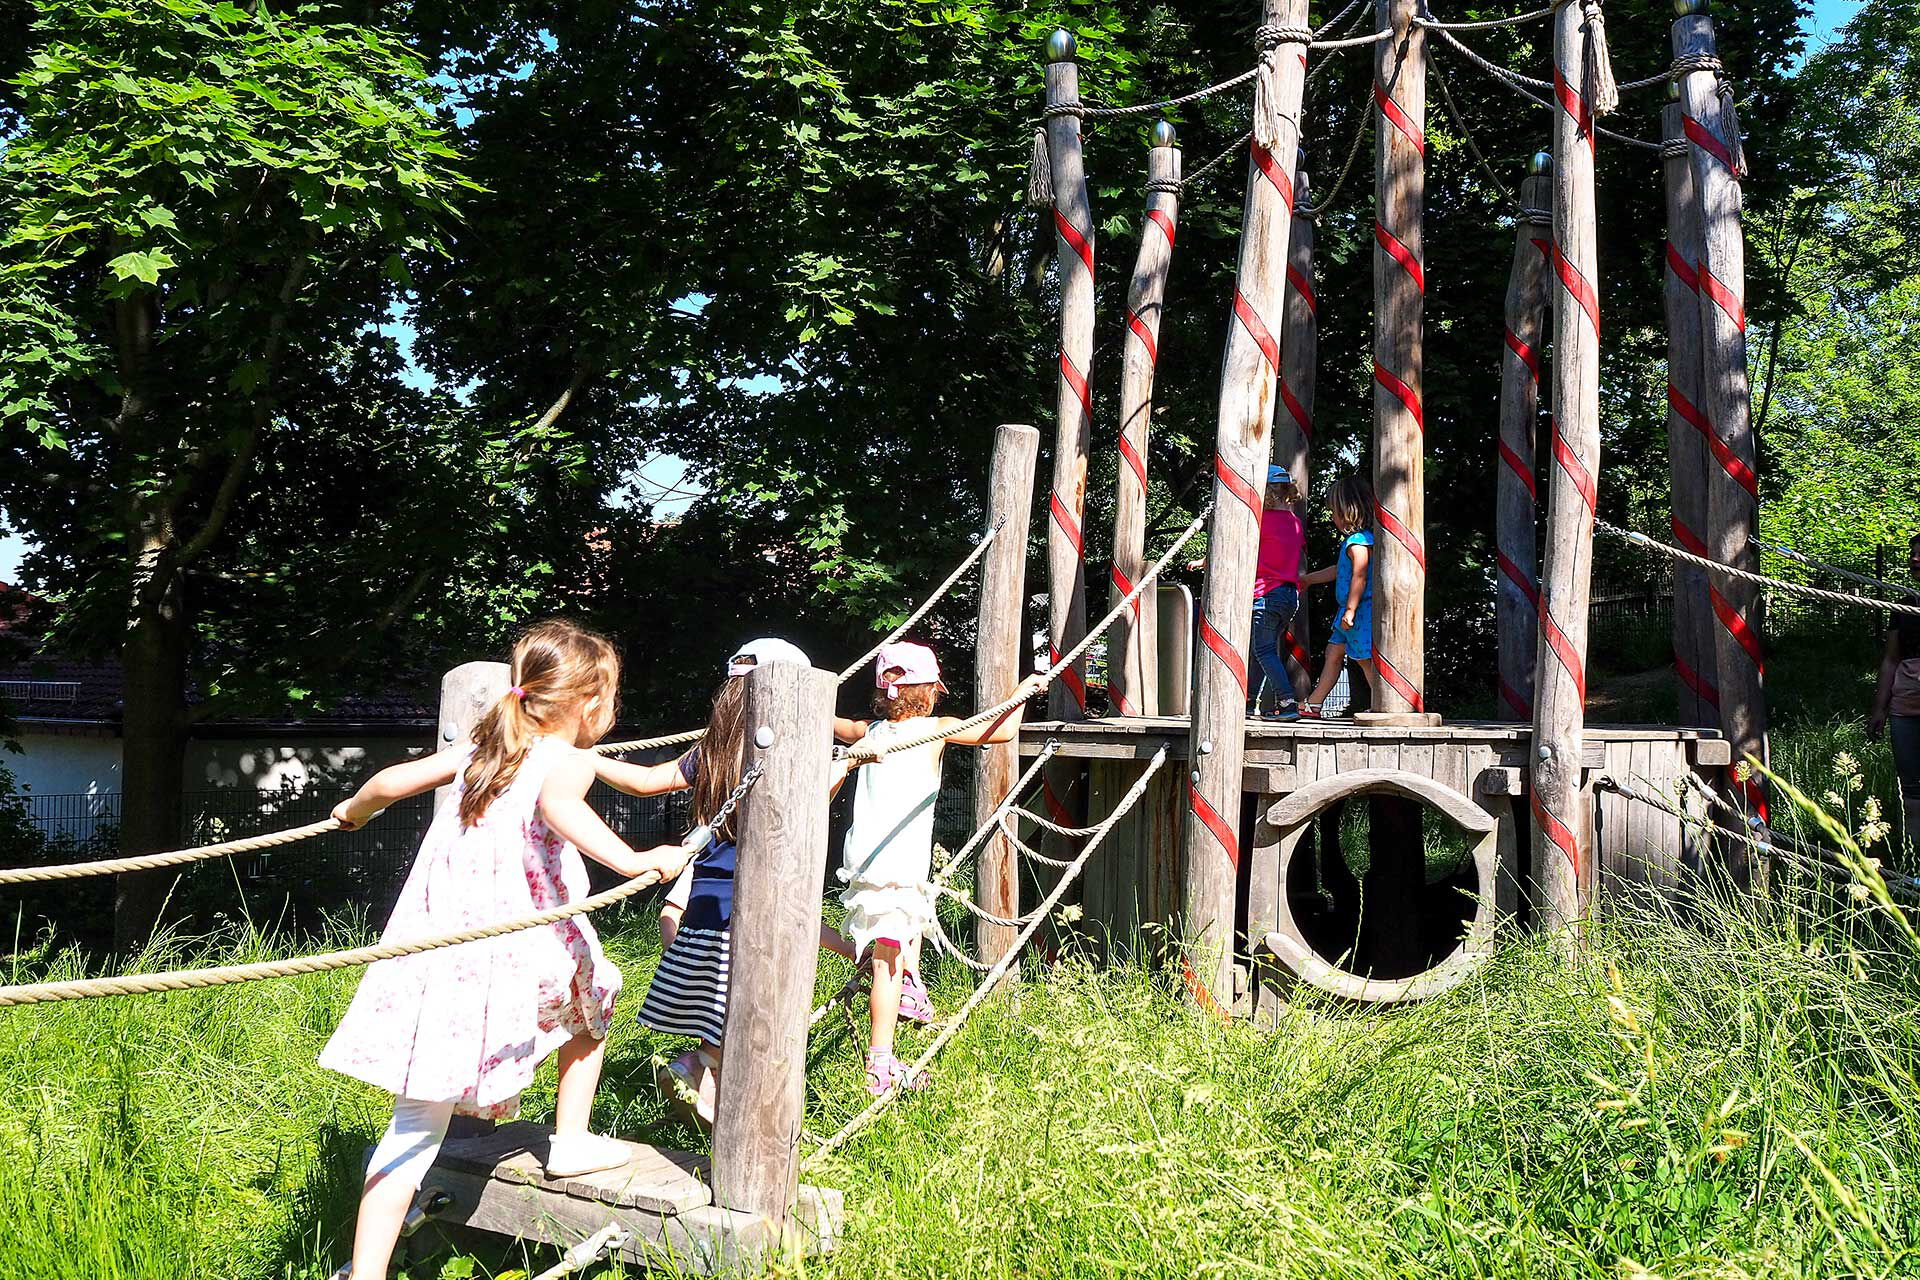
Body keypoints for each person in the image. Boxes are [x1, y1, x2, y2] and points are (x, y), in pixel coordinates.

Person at [320, 621, 694, 1280]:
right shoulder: (564, 760)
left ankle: (367, 1271)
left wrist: (351, 811)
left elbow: (387, 782)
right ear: (587, 704)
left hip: (439, 953)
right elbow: (561, 810)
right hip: (517, 946)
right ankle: (570, 1141)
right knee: (597, 991)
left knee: (412, 1128)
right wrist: (635, 859)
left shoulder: (483, 749)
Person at [596, 638, 851, 1127]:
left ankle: (697, 1065)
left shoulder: (712, 748)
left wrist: (581, 758)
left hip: (705, 902)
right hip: (755, 899)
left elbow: (645, 782)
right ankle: (715, 1088)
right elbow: (806, 808)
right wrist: (844, 767)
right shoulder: (791, 749)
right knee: (747, 1007)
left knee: (716, 1000)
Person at [833, 643, 1047, 1095]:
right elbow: (1002, 731)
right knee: (888, 956)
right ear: (928, 691)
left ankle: (909, 987)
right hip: (898, 865)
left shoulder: (867, 731)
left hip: (867, 863)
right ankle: (880, 1065)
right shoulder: (936, 729)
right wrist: (1025, 691)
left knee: (904, 929)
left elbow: (821, 721)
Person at [1299, 475, 1378, 719]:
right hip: (1347, 612)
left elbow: (1359, 576)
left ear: (1347, 512)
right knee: (1333, 653)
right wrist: (1308, 579)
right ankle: (1314, 703)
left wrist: (1351, 610)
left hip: (1358, 613)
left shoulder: (1359, 543)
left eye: (1334, 511)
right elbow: (1340, 570)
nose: (1332, 517)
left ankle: (1383, 701)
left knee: (1364, 660)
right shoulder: (1353, 543)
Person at [1868, 533, 1920, 851]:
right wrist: (1880, 709)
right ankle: (1916, 862)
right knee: (1913, 790)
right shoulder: (1902, 604)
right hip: (1906, 710)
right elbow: (1890, 659)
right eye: (1913, 553)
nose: (1915, 558)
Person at [1250, 465, 1307, 721]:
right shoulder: (1294, 522)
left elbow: (1241, 548)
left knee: (1262, 650)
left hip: (1266, 593)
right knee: (1263, 649)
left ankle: (1286, 702)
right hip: (1288, 595)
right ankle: (1250, 701)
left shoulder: (1262, 522)